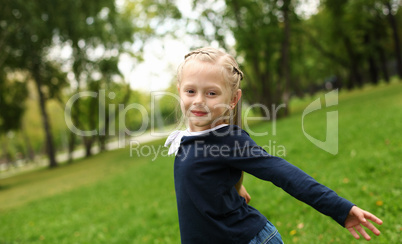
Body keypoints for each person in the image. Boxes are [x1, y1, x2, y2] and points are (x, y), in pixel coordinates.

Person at [164, 47, 382, 244]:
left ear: (233, 99)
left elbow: (283, 173)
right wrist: (235, 184)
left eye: (211, 93)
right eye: (191, 91)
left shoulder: (227, 139)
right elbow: (210, 170)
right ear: (179, 90)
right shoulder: (190, 138)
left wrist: (341, 209)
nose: (199, 100)